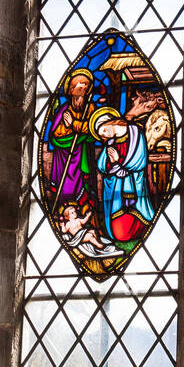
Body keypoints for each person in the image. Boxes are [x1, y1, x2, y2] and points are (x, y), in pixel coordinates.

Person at [91, 106, 155, 242]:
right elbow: (102, 166)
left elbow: (139, 161)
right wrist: (114, 164)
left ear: (110, 121)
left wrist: (117, 163)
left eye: (103, 130)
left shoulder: (136, 133)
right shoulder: (110, 144)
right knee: (118, 233)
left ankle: (141, 225)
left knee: (124, 232)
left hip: (135, 193)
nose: (105, 135)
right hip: (116, 195)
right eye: (102, 135)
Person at [45, 68, 95, 208]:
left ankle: (83, 204)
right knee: (64, 180)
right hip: (64, 155)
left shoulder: (90, 108)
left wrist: (74, 125)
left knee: (82, 181)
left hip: (83, 151)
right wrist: (71, 131)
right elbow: (55, 135)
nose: (82, 88)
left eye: (85, 85)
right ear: (71, 89)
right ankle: (64, 207)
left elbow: (93, 129)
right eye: (79, 85)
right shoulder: (63, 110)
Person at [58, 203, 123, 260]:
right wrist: (63, 226)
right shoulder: (68, 224)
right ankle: (99, 245)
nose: (74, 213)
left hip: (83, 233)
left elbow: (84, 221)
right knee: (90, 235)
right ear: (67, 216)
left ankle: (97, 244)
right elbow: (64, 231)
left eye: (75, 211)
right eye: (72, 213)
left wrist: (87, 216)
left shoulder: (78, 220)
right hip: (78, 238)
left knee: (93, 231)